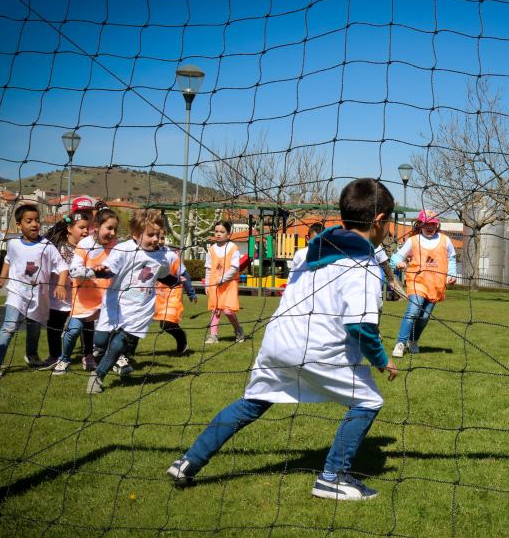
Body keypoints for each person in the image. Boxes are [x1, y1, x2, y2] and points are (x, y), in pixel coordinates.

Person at [165, 178, 399, 501]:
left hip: (277, 340)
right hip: (318, 349)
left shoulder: (307, 252)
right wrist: (382, 360)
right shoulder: (363, 266)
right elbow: (360, 327)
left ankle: (188, 461)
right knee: (369, 400)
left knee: (251, 403)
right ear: (379, 221)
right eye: (390, 220)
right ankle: (332, 476)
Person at [86, 209, 183, 393]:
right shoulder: (123, 249)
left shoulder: (162, 255)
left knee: (119, 343)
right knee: (100, 340)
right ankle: (102, 353)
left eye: (158, 235)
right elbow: (110, 269)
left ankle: (98, 376)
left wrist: (177, 281)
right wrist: (101, 270)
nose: (155, 239)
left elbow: (163, 275)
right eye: (151, 235)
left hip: (141, 309)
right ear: (136, 235)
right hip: (116, 303)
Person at [0, 205, 69, 376]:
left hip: (39, 297)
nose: (34, 224)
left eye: (37, 220)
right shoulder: (13, 244)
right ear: (18, 225)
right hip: (17, 293)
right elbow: (8, 260)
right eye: (29, 221)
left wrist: (60, 285)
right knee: (9, 326)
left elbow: (63, 267)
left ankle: (32, 355)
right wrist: (2, 278)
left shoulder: (47, 246)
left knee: (34, 328)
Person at [50, 206, 120, 375]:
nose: (112, 233)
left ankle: (117, 359)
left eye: (115, 229)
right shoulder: (85, 244)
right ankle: (64, 359)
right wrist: (94, 272)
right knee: (73, 331)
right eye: (109, 228)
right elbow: (74, 271)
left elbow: (120, 268)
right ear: (96, 227)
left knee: (112, 331)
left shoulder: (117, 246)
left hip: (106, 298)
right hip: (83, 297)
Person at [390, 210, 456, 357]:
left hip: (436, 284)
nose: (429, 226)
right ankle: (400, 343)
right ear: (420, 224)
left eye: (432, 224)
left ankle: (413, 340)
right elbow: (396, 256)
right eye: (426, 224)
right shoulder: (413, 241)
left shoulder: (446, 240)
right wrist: (398, 263)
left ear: (437, 225)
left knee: (424, 317)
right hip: (416, 282)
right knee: (413, 311)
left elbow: (452, 258)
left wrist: (451, 274)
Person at [41, 210, 92, 366]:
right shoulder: (57, 247)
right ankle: (54, 356)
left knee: (87, 326)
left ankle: (88, 355)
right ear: (70, 229)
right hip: (59, 297)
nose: (85, 231)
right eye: (81, 227)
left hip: (81, 298)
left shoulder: (89, 248)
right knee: (54, 326)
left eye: (87, 228)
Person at [154, 231, 198, 356]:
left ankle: (181, 339)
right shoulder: (146, 253)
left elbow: (184, 274)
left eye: (162, 237)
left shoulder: (171, 255)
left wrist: (191, 293)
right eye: (157, 237)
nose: (159, 240)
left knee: (167, 323)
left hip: (173, 293)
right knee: (138, 323)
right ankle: (128, 352)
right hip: (155, 295)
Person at [205, 220, 245, 344]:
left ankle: (238, 330)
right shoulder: (211, 249)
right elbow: (208, 268)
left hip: (229, 284)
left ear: (228, 234)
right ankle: (213, 336)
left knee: (228, 310)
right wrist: (207, 283)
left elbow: (234, 268)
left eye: (222, 232)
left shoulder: (233, 248)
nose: (218, 234)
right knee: (215, 310)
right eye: (216, 231)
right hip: (214, 284)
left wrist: (223, 279)